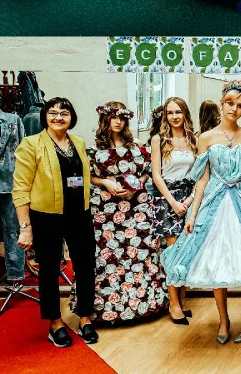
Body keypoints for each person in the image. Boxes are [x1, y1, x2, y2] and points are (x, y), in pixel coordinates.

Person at [161, 81, 241, 344]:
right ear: (222, 103)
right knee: (217, 262)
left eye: (240, 106)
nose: (234, 109)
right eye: (230, 103)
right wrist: (192, 215)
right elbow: (202, 179)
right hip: (215, 203)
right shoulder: (206, 138)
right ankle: (223, 321)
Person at [13, 97, 100, 348]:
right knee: (49, 271)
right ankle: (55, 323)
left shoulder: (78, 142)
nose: (58, 117)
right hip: (46, 217)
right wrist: (25, 227)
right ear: (45, 117)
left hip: (79, 215)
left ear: (72, 117)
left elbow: (84, 177)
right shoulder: (31, 144)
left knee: (85, 266)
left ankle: (85, 318)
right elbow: (20, 188)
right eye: (52, 112)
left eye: (64, 113)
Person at [75, 101, 165, 325]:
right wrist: (105, 182)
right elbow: (86, 177)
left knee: (138, 253)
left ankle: (141, 306)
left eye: (122, 118)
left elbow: (147, 172)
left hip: (135, 206)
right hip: (106, 209)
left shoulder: (136, 147)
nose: (118, 122)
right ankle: (106, 308)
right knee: (107, 256)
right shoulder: (94, 149)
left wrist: (136, 185)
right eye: (113, 117)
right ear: (105, 119)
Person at [0, 85, 25, 296]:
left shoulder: (13, 120)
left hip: (10, 182)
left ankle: (16, 277)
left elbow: (23, 151)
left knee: (13, 231)